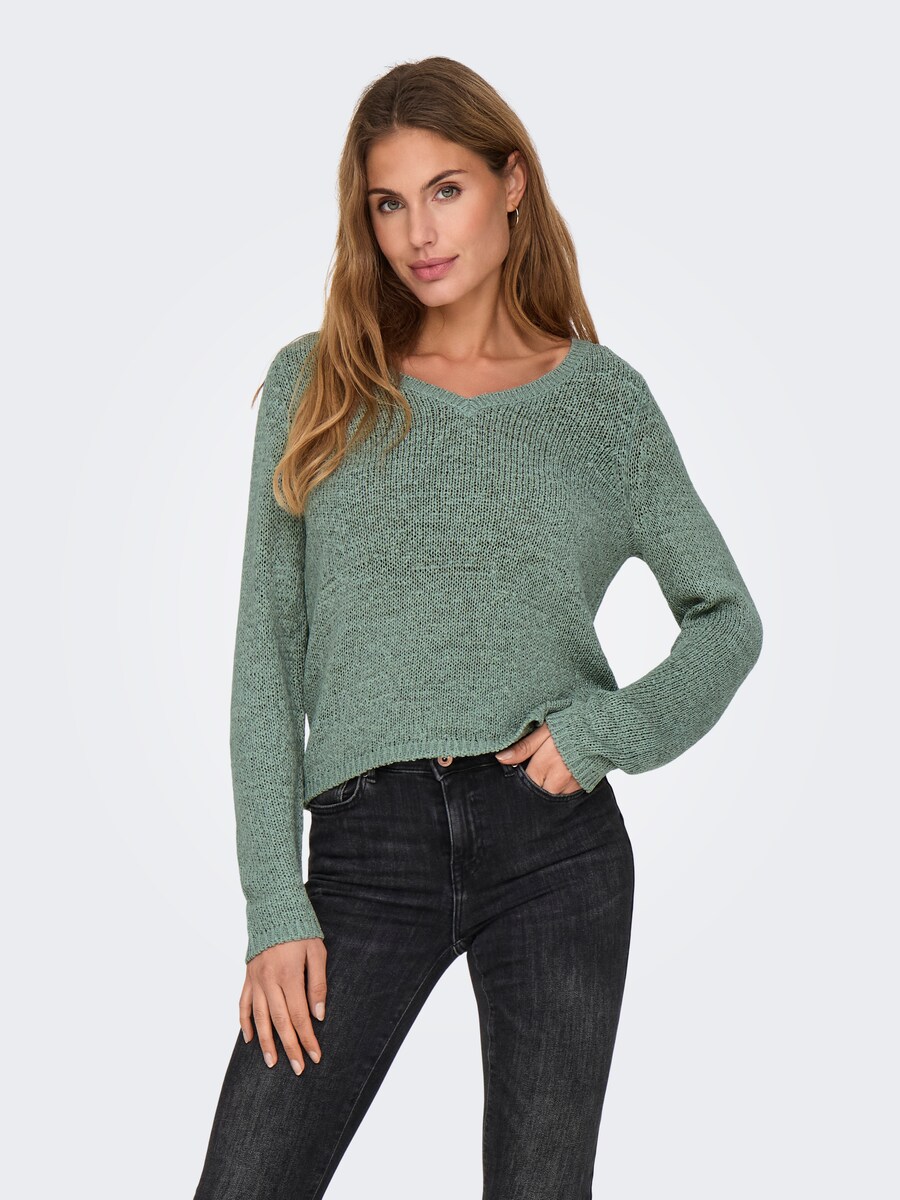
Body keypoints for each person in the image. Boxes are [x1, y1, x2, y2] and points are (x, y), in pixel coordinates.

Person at [193, 55, 763, 1200]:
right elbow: (266, 658)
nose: (419, 232)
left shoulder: (601, 402)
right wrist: (273, 900)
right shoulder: (317, 384)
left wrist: (604, 732)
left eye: (445, 190)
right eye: (388, 203)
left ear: (511, 182)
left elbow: (726, 618)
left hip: (554, 846)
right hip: (365, 849)